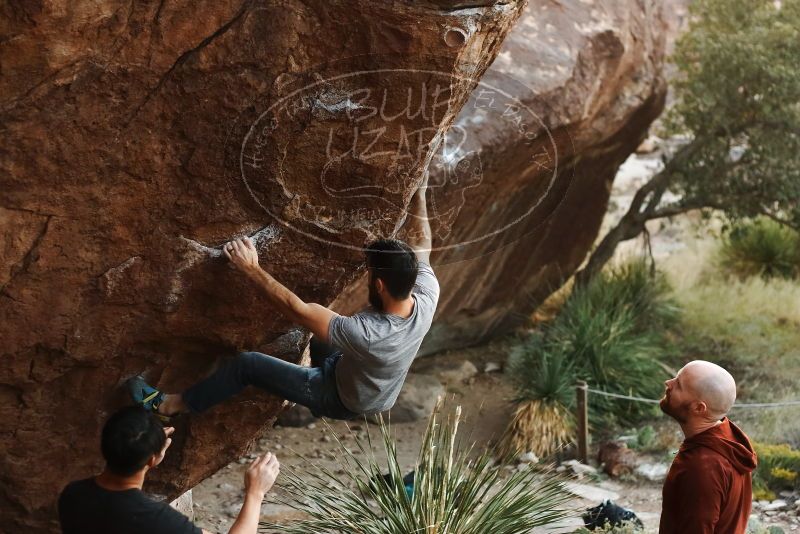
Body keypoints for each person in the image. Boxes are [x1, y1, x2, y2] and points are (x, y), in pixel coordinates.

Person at [127, 182, 439, 420]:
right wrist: (420, 193)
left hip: (343, 398)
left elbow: (296, 309)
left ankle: (173, 405)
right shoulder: (426, 293)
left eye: (370, 273)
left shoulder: (367, 334)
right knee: (319, 342)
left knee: (247, 365)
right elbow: (422, 243)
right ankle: (313, 380)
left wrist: (251, 268)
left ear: (379, 285)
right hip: (376, 388)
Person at [58, 406, 280, 534]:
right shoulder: (156, 520)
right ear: (154, 460)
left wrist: (145, 448)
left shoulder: (73, 495)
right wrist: (255, 493)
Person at [658, 360, 758, 534]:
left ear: (698, 408)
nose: (668, 383)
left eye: (679, 384)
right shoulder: (728, 439)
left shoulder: (702, 466)